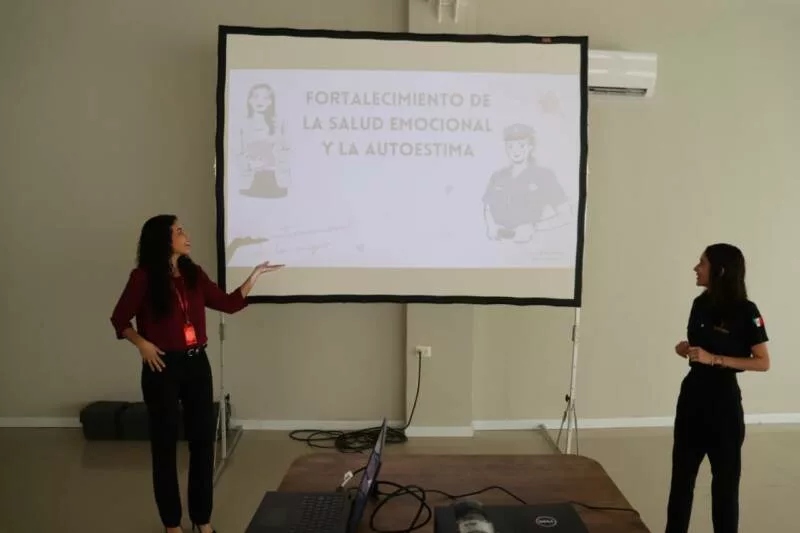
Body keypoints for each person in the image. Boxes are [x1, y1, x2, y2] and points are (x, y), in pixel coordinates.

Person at [110, 215, 283, 533]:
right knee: (164, 447)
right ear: (163, 239)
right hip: (161, 366)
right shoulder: (143, 277)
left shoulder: (194, 273)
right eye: (179, 231)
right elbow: (119, 319)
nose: (186, 235)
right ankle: (172, 525)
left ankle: (203, 521)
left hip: (196, 365)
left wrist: (254, 276)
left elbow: (228, 304)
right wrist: (142, 344)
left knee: (203, 445)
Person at [665, 243, 770, 533]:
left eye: (702, 263)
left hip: (723, 407)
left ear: (720, 270)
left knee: (725, 486)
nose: (695, 268)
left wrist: (715, 359)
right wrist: (688, 350)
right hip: (691, 400)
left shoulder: (746, 311)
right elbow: (702, 349)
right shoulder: (699, 304)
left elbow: (763, 362)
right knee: (681, 481)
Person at [482, 123, 571, 243]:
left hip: (533, 246)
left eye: (521, 145)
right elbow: (487, 208)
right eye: (510, 146)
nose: (515, 151)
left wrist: (534, 227)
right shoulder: (497, 177)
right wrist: (490, 226)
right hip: (499, 246)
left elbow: (566, 215)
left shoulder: (544, 176)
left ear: (530, 147)